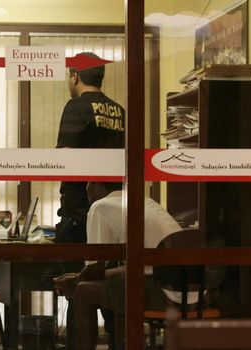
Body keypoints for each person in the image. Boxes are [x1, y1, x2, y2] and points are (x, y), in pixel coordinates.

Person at [54, 182, 182, 350]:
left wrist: (74, 280)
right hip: (192, 293)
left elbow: (94, 269)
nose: (86, 189)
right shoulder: (142, 201)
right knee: (118, 287)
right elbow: (139, 266)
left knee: (83, 291)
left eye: (89, 183)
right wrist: (93, 275)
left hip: (163, 291)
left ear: (99, 186)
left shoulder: (101, 206)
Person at [55, 52, 125, 245]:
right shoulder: (119, 111)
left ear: (75, 77)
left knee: (72, 271)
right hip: (114, 208)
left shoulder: (76, 107)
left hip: (80, 210)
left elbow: (66, 158)